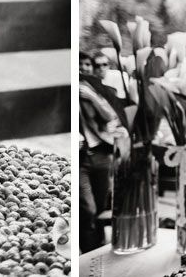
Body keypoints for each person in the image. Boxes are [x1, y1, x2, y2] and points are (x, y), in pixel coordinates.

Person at [79, 52, 121, 252]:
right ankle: (87, 254)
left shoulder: (92, 88)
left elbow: (109, 116)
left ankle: (97, 250)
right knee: (87, 208)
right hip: (81, 160)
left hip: (100, 154)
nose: (84, 68)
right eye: (80, 64)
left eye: (88, 64)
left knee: (102, 206)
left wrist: (92, 98)